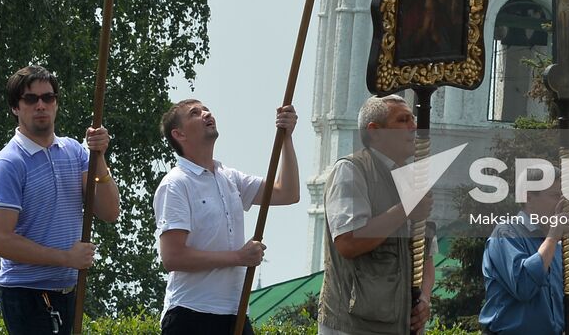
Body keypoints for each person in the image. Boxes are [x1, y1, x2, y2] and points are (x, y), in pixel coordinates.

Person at [0, 66, 120, 335]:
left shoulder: (75, 152)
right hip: (26, 294)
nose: (41, 105)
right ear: (15, 107)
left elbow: (109, 211)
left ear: (56, 103)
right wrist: (66, 258)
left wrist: (99, 157)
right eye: (31, 99)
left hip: (67, 292)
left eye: (48, 98)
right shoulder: (9, 163)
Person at [154, 100, 300, 335]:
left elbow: (288, 192)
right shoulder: (176, 184)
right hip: (191, 315)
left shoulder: (229, 178)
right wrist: (238, 257)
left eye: (205, 109)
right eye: (195, 113)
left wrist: (286, 138)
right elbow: (173, 257)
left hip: (236, 314)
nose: (206, 113)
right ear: (179, 134)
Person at [319, 94, 435, 335]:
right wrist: (405, 209)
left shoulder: (412, 180)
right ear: (375, 131)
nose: (413, 127)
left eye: (413, 119)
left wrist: (424, 298)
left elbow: (426, 255)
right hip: (354, 327)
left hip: (400, 326)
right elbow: (348, 242)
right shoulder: (351, 171)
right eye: (403, 120)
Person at [479, 172, 569, 335]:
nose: (564, 203)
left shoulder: (561, 250)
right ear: (528, 198)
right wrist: (552, 238)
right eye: (556, 195)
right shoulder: (506, 234)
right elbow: (523, 286)